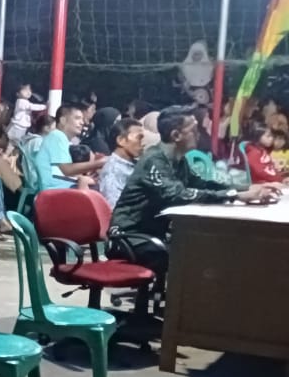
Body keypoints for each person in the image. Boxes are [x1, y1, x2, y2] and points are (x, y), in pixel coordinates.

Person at [108, 108, 280, 275]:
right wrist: (235, 195)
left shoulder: (178, 160)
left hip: (154, 234)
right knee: (196, 255)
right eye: (194, 130)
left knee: (210, 248)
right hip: (128, 237)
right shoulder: (154, 161)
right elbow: (177, 195)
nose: (199, 135)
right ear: (176, 135)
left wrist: (246, 188)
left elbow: (203, 184)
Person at [35, 105, 104, 190]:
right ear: (63, 120)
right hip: (55, 190)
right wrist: (99, 163)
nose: (82, 122)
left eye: (82, 119)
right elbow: (67, 170)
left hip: (59, 186)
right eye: (77, 118)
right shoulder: (57, 136)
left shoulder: (61, 139)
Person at [99, 118, 145, 209]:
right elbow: (114, 208)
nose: (143, 143)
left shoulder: (136, 163)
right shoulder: (113, 172)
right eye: (139, 138)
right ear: (121, 140)